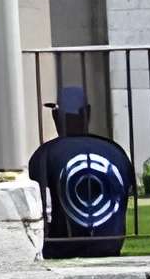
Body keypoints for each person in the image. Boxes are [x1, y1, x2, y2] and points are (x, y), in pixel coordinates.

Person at [24, 82, 134, 258]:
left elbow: (40, 207)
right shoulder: (116, 151)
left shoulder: (45, 154)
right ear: (87, 112)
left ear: (55, 115)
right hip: (108, 247)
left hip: (61, 250)